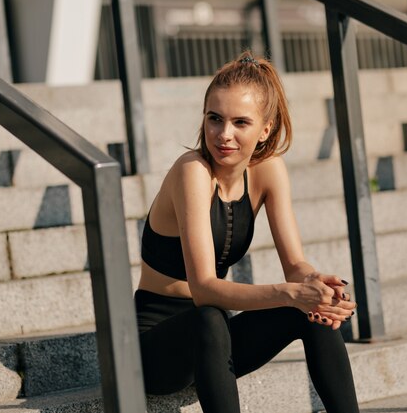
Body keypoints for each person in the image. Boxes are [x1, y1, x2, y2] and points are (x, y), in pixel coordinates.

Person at [136, 51, 359, 413]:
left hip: (217, 343)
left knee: (313, 310)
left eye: (241, 122)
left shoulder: (268, 169)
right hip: (158, 347)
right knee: (209, 316)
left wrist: (316, 285)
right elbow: (204, 288)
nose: (224, 135)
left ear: (265, 129)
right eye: (215, 119)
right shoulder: (191, 171)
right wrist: (290, 293)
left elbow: (295, 264)